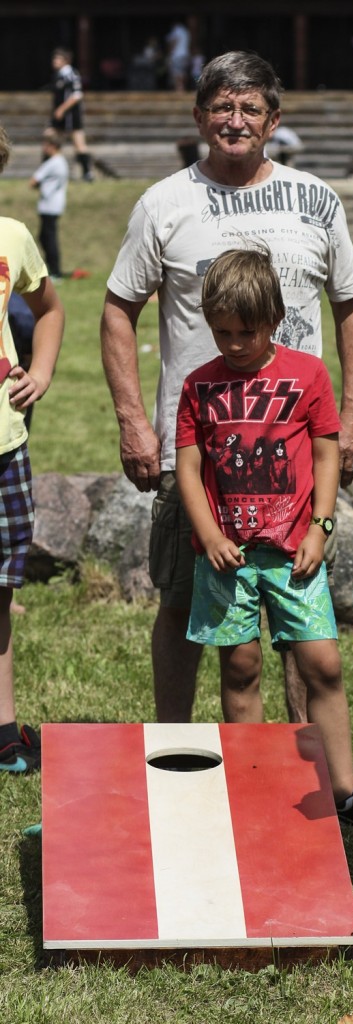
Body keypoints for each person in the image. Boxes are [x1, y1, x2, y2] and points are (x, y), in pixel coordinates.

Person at [100, 51, 353, 730]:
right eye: (222, 106)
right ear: (200, 118)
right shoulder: (164, 204)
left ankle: (306, 769)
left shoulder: (316, 199)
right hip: (199, 449)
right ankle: (172, 749)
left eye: (250, 107)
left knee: (298, 611)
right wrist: (134, 421)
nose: (235, 120)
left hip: (293, 447)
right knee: (183, 600)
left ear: (273, 120)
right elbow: (117, 310)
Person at [175, 246, 353, 831]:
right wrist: (208, 535)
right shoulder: (198, 386)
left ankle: (344, 794)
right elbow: (187, 466)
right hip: (227, 559)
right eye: (222, 332)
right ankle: (253, 790)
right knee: (241, 669)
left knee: (322, 664)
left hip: (294, 554)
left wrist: (320, 527)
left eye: (247, 332)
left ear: (276, 318)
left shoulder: (308, 375)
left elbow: (328, 454)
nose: (234, 345)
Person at [0, 124, 65, 773]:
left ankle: (3, 731)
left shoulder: (12, 236)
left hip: (5, 445)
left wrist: (40, 372)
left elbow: (48, 309)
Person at [30, 129, 69, 281]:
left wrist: (39, 185)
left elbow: (33, 181)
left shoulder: (52, 163)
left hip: (49, 206)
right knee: (45, 237)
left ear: (52, 146)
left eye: (45, 145)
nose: (43, 148)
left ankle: (55, 272)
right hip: (54, 205)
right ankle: (53, 270)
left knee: (48, 239)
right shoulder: (61, 161)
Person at [50, 47, 94, 182]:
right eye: (54, 58)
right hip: (60, 116)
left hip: (71, 116)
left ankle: (87, 173)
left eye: (58, 59)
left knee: (79, 143)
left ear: (66, 61)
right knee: (50, 139)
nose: (54, 61)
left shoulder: (71, 74)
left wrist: (62, 109)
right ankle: (49, 172)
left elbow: (77, 95)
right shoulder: (58, 75)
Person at [166, 21, 191, 92]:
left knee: (176, 72)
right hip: (185, 54)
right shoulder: (186, 31)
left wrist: (169, 53)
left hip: (177, 55)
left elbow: (173, 42)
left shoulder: (176, 30)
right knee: (183, 72)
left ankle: (179, 88)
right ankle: (182, 87)